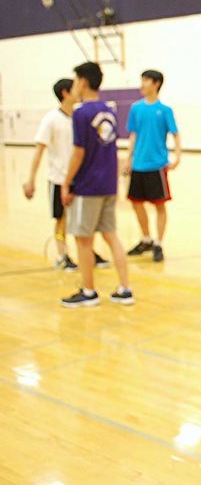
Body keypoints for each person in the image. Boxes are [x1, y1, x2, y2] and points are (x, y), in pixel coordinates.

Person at [60, 62, 132, 308]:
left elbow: (78, 152)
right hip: (108, 185)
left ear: (83, 81)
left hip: (88, 186)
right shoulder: (109, 111)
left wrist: (66, 183)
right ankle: (125, 288)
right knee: (111, 236)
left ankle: (89, 291)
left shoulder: (81, 113)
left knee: (83, 240)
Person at [23, 78, 110, 270]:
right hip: (58, 179)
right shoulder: (51, 119)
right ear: (65, 93)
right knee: (61, 219)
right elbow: (39, 151)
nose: (79, 89)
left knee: (87, 219)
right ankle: (63, 256)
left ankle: (89, 253)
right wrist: (31, 180)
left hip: (81, 179)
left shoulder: (80, 116)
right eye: (74, 87)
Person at [123, 70, 181, 263]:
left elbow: (175, 133)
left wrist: (177, 156)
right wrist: (128, 159)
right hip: (138, 164)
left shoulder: (164, 110)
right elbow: (133, 135)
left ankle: (158, 243)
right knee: (136, 202)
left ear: (156, 84)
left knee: (160, 205)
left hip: (157, 165)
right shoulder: (136, 108)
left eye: (146, 80)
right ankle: (146, 239)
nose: (142, 84)